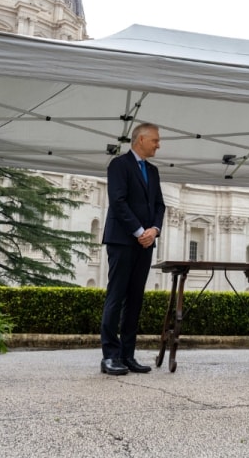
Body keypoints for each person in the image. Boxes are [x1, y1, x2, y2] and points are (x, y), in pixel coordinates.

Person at [100, 123, 166, 376]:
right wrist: (140, 231)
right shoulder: (119, 165)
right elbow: (118, 201)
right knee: (116, 296)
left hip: (146, 242)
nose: (158, 144)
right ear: (141, 139)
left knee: (135, 299)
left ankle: (127, 355)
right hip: (123, 240)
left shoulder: (153, 171)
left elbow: (159, 205)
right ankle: (109, 356)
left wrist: (154, 230)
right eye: (155, 140)